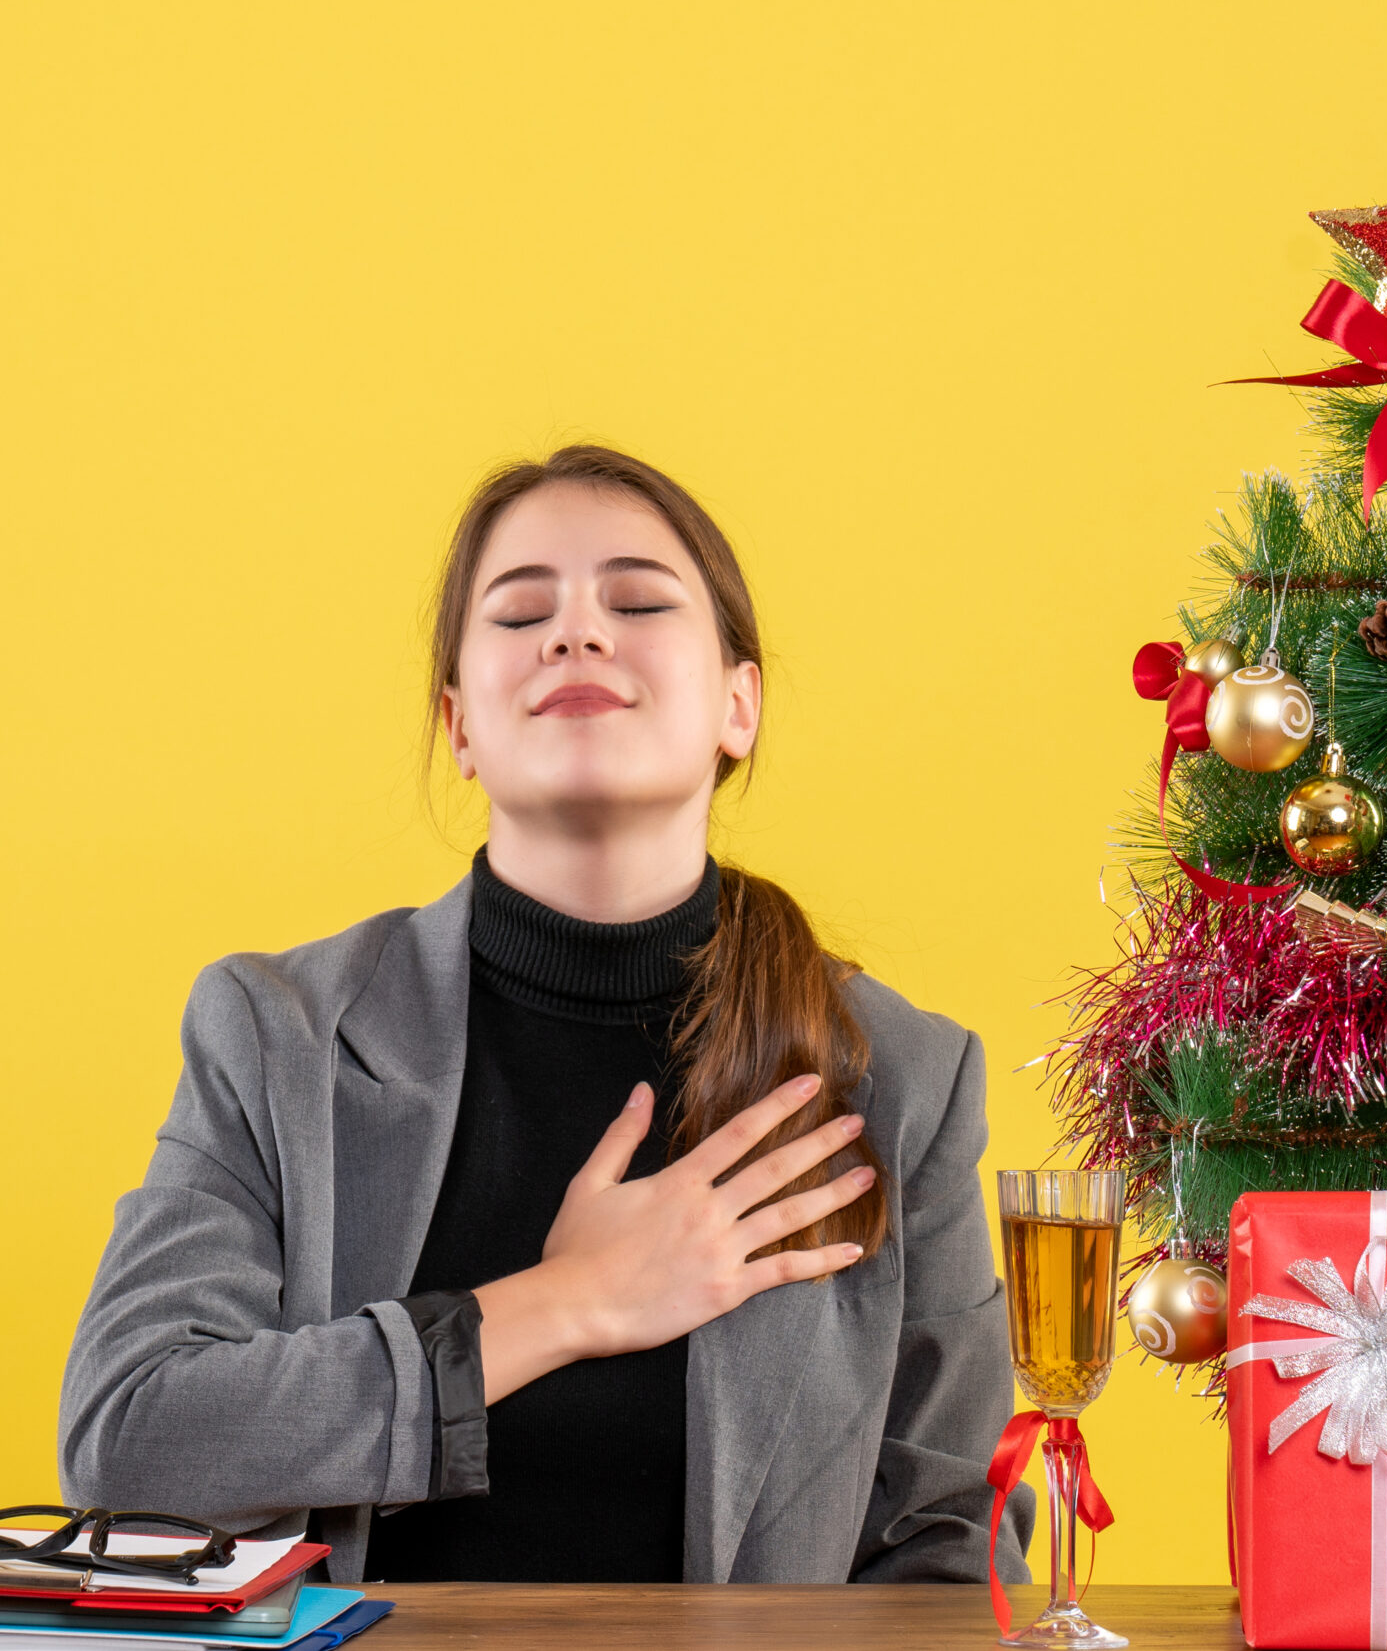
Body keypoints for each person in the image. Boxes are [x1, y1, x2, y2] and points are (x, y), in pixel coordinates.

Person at [59, 445, 1029, 1585]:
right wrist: (564, 1303)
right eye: (522, 612)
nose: (577, 633)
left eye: (637, 600)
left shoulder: (899, 1077)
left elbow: (953, 1542)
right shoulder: (277, 1036)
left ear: (738, 703)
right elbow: (131, 1435)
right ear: (458, 722)